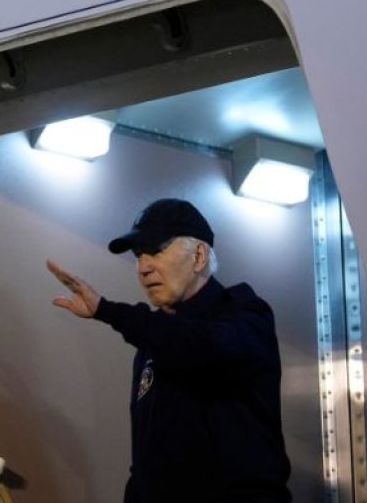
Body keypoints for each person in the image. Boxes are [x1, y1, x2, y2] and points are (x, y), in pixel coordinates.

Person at [47, 198, 291, 502]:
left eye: (155, 250)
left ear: (198, 256)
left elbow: (199, 347)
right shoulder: (152, 341)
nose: (143, 267)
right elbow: (146, 463)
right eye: (138, 255)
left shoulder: (245, 315)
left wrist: (106, 310)